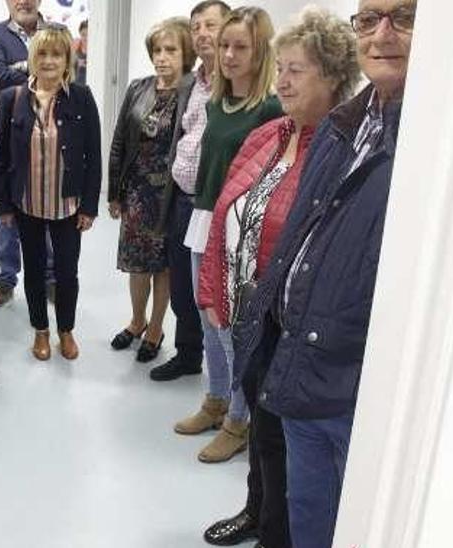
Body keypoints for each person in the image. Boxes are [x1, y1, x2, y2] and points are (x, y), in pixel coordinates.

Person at [231, 1, 415, 545]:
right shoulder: (347, 127)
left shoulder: (428, 142)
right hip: (294, 358)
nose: (381, 34)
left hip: (348, 383)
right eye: (369, 18)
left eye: (403, 16)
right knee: (303, 511)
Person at [196, 8, 361, 547]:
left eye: (297, 71)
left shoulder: (340, 150)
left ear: (334, 79)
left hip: (294, 323)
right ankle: (255, 509)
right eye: (282, 68)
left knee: (282, 441)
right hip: (252, 314)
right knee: (264, 434)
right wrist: (213, 288)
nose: (281, 80)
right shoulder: (271, 132)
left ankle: (275, 532)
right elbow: (227, 210)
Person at [173, 5, 282, 464]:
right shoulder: (217, 102)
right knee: (207, 318)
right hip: (204, 218)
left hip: (240, 233)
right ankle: (215, 400)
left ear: (261, 54)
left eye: (242, 47)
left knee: (231, 330)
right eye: (225, 46)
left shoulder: (271, 108)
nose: (230, 55)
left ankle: (239, 419)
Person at [0, 25, 101, 362]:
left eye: (57, 54)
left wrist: (90, 207)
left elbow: (93, 155)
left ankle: (65, 330)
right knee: (35, 272)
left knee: (67, 273)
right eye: (43, 54)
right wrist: (3, 205)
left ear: (67, 59)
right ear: (31, 59)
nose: (49, 61)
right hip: (28, 204)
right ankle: (41, 330)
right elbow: (1, 156)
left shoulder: (81, 97)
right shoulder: (14, 98)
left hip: (67, 205)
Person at [150, 0, 231, 382]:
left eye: (210, 25)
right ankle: (188, 354)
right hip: (183, 198)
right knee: (182, 285)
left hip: (213, 203)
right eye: (196, 26)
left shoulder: (236, 82)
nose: (201, 33)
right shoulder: (193, 82)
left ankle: (222, 382)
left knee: (212, 293)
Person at [106, 18, 195, 364]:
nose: (162, 57)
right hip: (137, 193)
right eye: (157, 50)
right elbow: (119, 142)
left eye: (170, 50)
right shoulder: (139, 88)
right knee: (136, 265)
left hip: (170, 196)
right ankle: (137, 320)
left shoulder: (192, 92)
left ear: (186, 53)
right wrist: (114, 191)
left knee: (164, 267)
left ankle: (156, 327)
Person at [0, 0, 48, 307]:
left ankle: (49, 277)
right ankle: (6, 279)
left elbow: (67, 74)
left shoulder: (57, 31)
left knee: (47, 208)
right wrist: (41, 69)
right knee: (8, 214)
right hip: (10, 130)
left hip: (51, 133)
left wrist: (18, 68)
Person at [75, 19, 89, 85]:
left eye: (87, 35)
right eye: (83, 35)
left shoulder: (95, 49)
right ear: (80, 33)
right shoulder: (76, 46)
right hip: (77, 83)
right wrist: (77, 62)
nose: (85, 38)